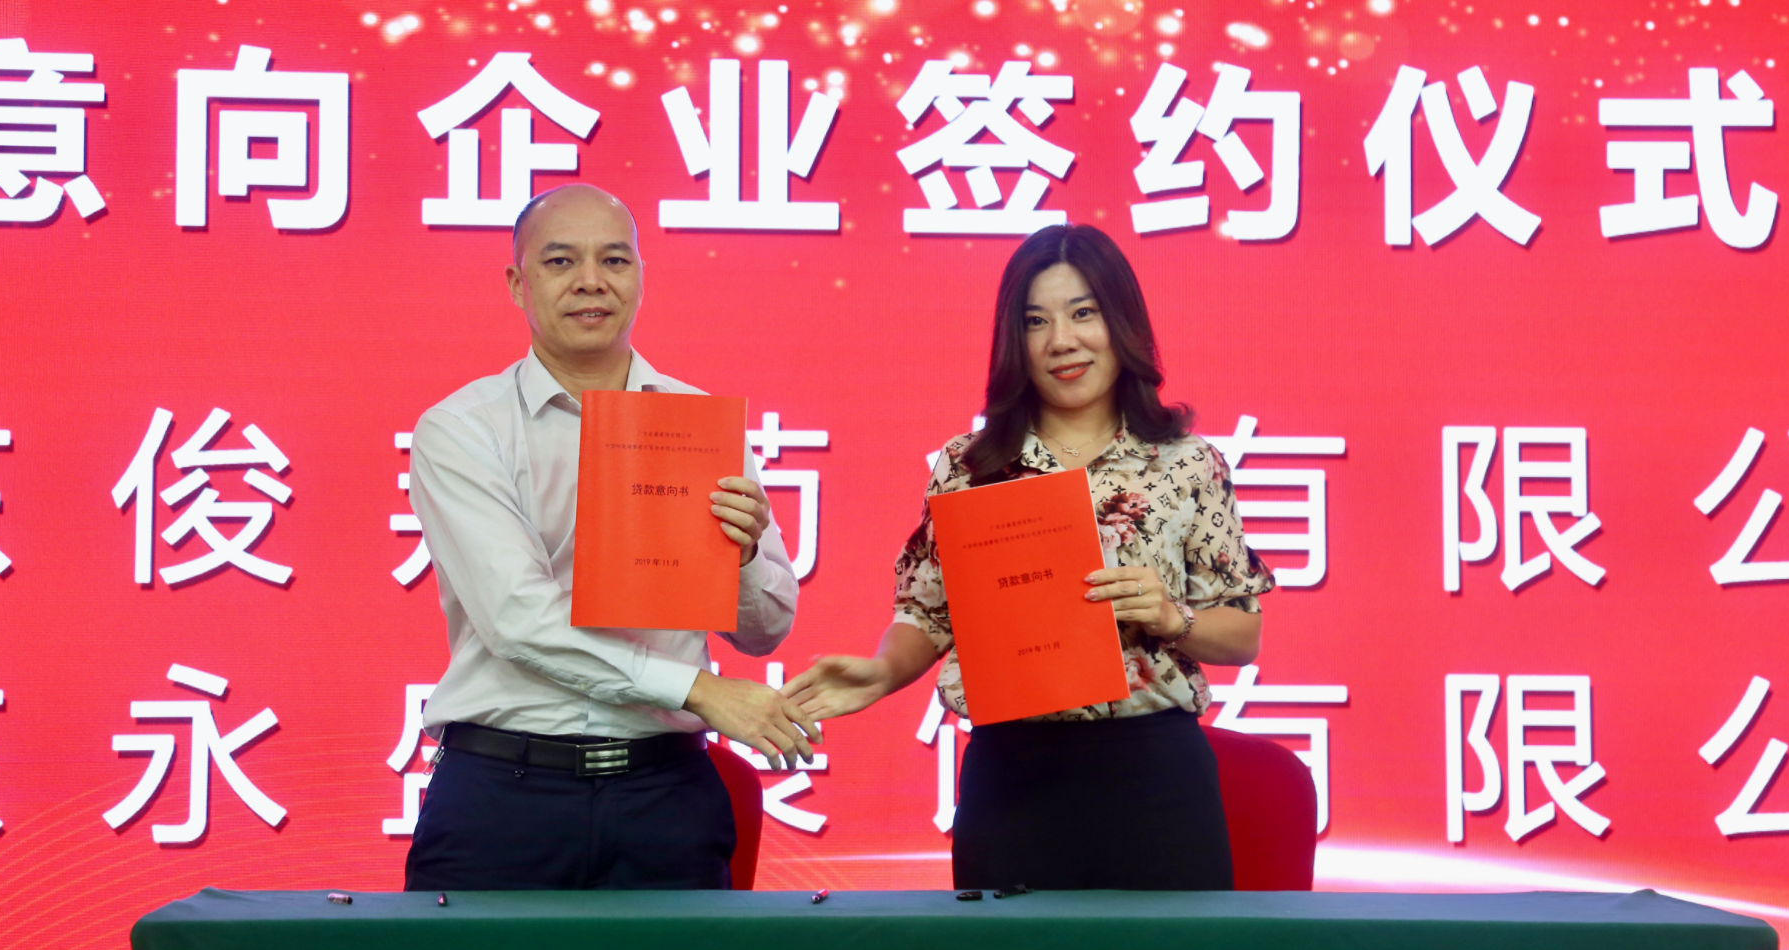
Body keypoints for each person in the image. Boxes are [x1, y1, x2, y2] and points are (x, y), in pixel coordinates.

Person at [786, 224, 1273, 891]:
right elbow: (928, 616)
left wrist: (1170, 616)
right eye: (1035, 321)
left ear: (1122, 323)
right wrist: (881, 671)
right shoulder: (969, 466)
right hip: (1013, 779)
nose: (1060, 341)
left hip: (1155, 777)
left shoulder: (1187, 463)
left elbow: (1242, 634)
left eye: (1083, 313)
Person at [403, 184, 820, 892]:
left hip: (666, 797)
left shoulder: (697, 423)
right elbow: (516, 619)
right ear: (518, 283)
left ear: (641, 278)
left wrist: (745, 555)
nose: (591, 281)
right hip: (503, 796)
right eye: (560, 261)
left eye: (614, 260)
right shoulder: (464, 428)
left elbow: (764, 632)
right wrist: (701, 691)